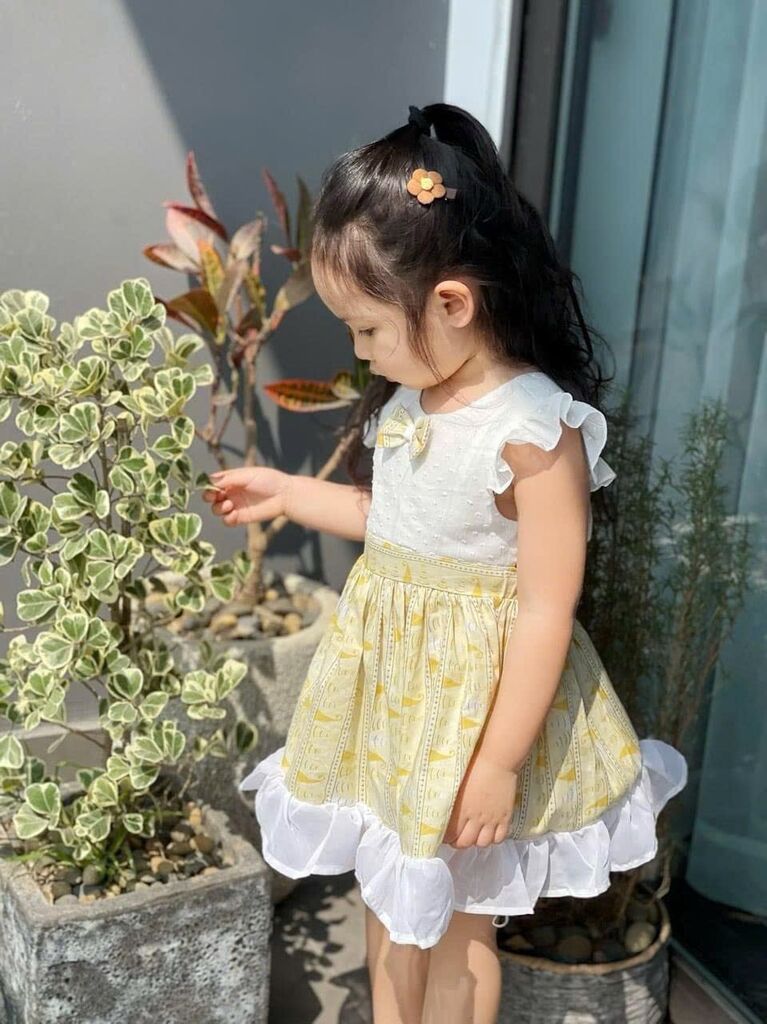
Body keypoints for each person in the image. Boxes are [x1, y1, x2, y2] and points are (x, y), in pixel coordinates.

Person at [203, 103, 688, 1024]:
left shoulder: (531, 431)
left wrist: (497, 764)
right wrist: (289, 491)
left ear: (452, 304)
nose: (358, 353)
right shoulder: (413, 400)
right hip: (390, 706)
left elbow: (545, 606)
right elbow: (397, 530)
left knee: (463, 927)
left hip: (474, 717)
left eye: (367, 331)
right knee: (390, 901)